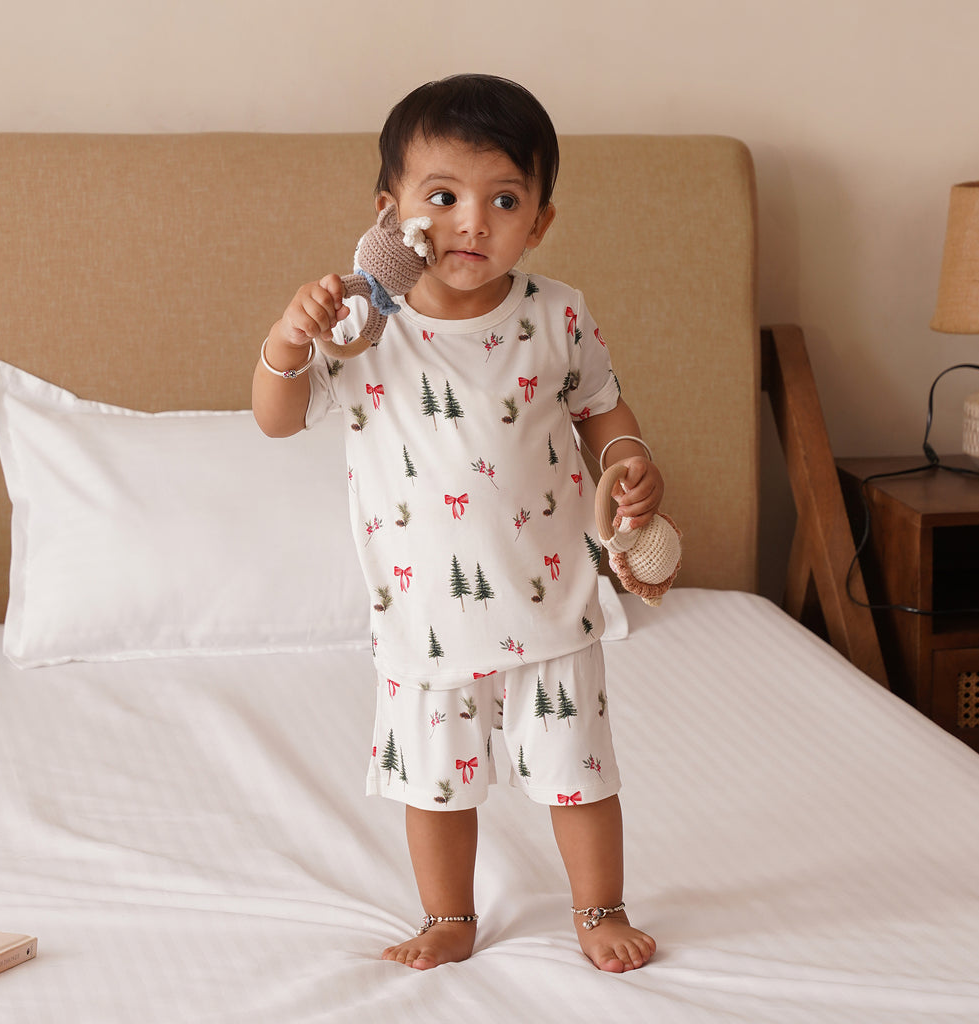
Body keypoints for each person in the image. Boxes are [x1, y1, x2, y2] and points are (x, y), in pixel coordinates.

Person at [252, 74, 662, 973]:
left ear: (539, 221)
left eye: (504, 199)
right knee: (435, 787)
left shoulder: (558, 315)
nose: (472, 223)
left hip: (551, 601)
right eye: (442, 197)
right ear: (390, 211)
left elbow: (604, 413)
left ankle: (599, 907)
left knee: (580, 774)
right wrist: (289, 340)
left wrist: (631, 467)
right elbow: (276, 419)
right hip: (423, 616)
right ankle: (449, 917)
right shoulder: (363, 329)